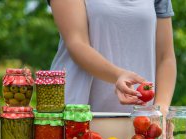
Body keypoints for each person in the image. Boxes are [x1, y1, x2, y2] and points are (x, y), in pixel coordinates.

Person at [48, 0, 176, 118]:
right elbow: (77, 43)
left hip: (139, 123)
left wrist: (161, 110)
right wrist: (118, 75)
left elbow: (165, 57)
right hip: (75, 114)